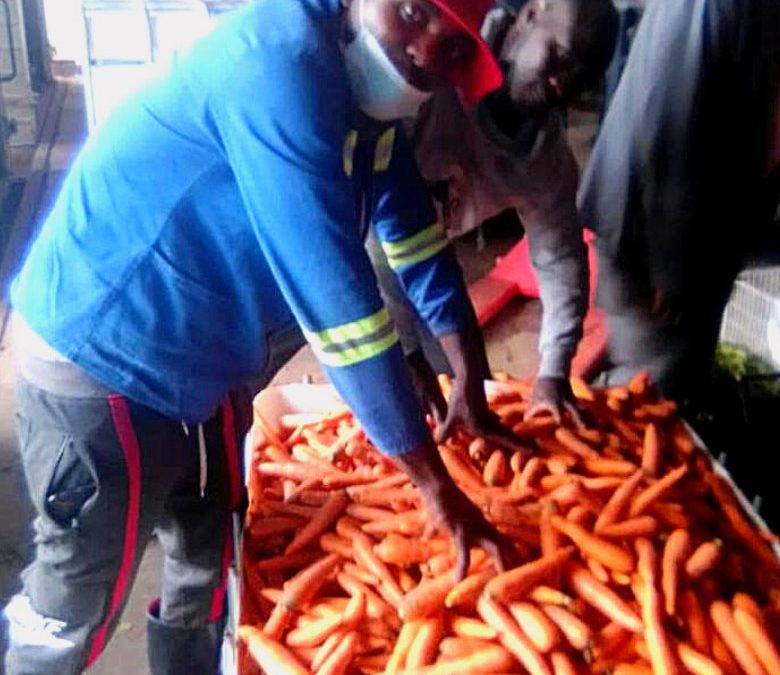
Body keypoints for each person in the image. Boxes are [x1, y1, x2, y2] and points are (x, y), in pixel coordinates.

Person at [2, 0, 519, 672]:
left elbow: (413, 236)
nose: (422, 52)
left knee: (208, 552)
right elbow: (339, 309)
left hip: (202, 352)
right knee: (77, 598)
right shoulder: (276, 66)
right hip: (107, 347)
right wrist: (435, 486)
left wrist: (470, 373)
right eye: (414, 13)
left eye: (451, 49)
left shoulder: (369, 105)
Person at [369, 0, 618, 425]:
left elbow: (559, 258)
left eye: (579, 79)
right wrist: (405, 353)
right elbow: (373, 226)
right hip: (361, 255)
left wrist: (555, 369)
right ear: (529, 17)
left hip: (430, 265)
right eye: (557, 55)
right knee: (394, 403)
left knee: (464, 400)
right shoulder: (433, 72)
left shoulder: (544, 162)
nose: (560, 84)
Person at [578, 0, 780, 407]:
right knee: (651, 385)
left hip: (707, 234)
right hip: (656, 236)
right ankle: (610, 449)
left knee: (683, 369)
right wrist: (671, 267)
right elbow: (671, 121)